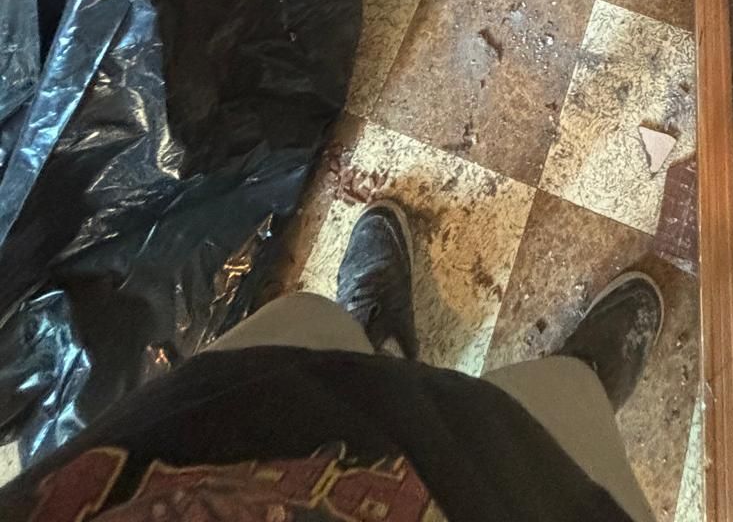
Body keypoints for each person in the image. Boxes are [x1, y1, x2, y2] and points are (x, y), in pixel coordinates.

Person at [1, 202, 663, 522]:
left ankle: (375, 344)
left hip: (194, 445)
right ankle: (579, 383)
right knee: (562, 429)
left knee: (303, 333)